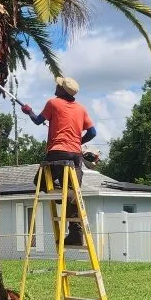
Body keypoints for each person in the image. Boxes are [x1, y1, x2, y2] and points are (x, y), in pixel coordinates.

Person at [21, 76, 97, 246]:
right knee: (72, 191)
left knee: (39, 182)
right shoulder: (81, 109)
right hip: (75, 156)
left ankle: (64, 197)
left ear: (62, 90)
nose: (56, 86)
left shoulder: (53, 103)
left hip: (56, 154)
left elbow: (37, 120)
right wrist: (78, 142)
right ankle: (76, 233)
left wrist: (28, 111)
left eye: (59, 85)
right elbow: (92, 132)